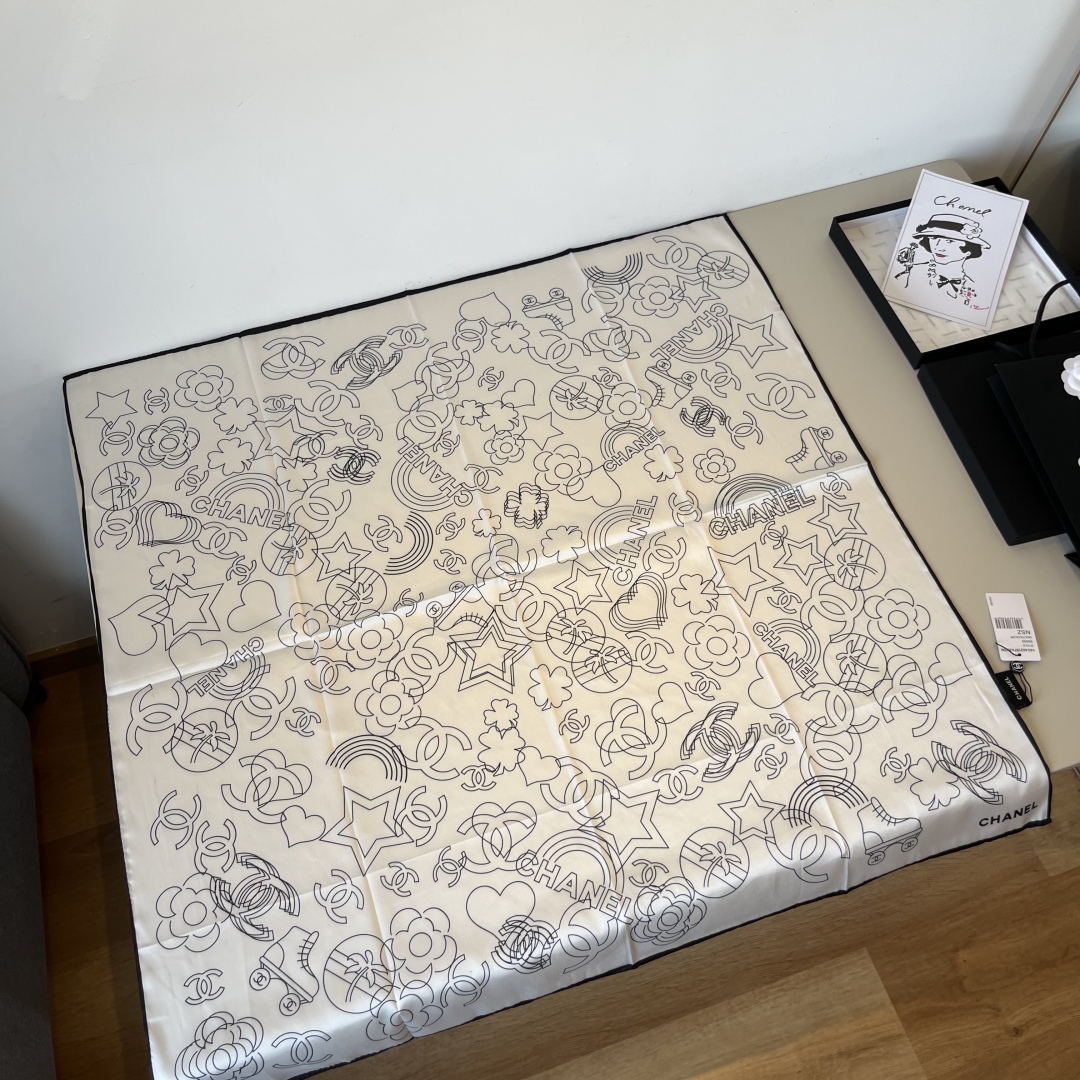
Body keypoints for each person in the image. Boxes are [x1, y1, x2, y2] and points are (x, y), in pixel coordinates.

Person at [894, 212, 991, 305]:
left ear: (968, 251)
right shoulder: (912, 273)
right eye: (934, 238)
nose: (938, 247)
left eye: (949, 241)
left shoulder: (974, 287)